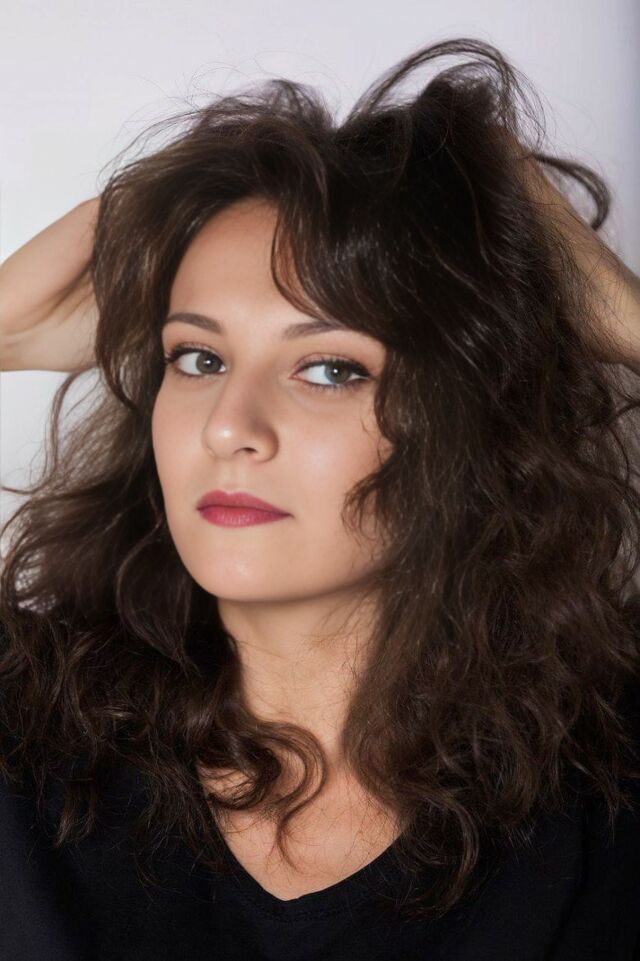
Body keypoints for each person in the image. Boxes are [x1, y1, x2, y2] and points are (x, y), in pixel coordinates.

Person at [1, 35, 640, 961]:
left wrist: (611, 312)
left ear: (475, 414)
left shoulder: (609, 774)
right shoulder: (27, 727)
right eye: (199, 357)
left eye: (330, 368)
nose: (230, 426)